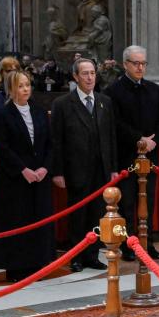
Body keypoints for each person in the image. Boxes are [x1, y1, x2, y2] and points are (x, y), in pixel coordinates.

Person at [50, 59, 118, 272]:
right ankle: (76, 256)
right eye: (85, 74)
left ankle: (92, 254)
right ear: (75, 77)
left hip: (101, 169)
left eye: (92, 73)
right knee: (78, 215)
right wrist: (58, 171)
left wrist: (113, 168)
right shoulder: (62, 104)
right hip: (76, 169)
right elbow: (56, 140)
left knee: (97, 213)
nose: (90, 78)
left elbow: (111, 137)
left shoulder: (104, 101)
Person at [0, 71, 54, 282]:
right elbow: (2, 148)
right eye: (20, 86)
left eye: (27, 85)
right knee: (18, 221)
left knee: (39, 220)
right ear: (11, 89)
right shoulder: (2, 114)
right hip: (15, 178)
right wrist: (23, 170)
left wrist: (45, 168)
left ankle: (39, 265)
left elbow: (50, 144)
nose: (25, 89)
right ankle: (17, 268)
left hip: (39, 177)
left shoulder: (40, 112)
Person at [107, 45, 159, 260]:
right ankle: (127, 245)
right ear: (125, 64)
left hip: (150, 157)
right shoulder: (113, 90)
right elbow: (116, 123)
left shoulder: (154, 89)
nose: (140, 67)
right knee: (127, 203)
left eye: (143, 63)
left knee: (148, 202)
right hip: (126, 156)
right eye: (136, 63)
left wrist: (154, 142)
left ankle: (147, 243)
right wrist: (138, 139)